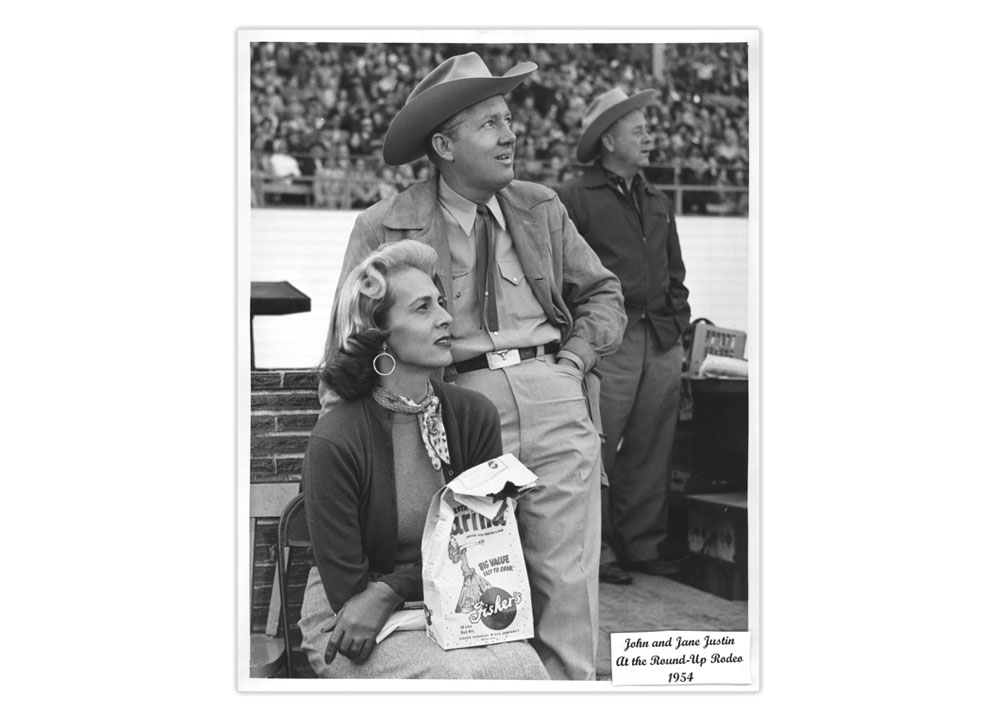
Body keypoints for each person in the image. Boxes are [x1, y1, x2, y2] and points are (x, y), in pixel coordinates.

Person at [322, 52, 626, 681]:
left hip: (554, 393)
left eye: (507, 118)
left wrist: (573, 361)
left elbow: (603, 293)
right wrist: (354, 433)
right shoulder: (384, 225)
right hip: (453, 414)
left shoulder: (541, 205)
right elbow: (350, 337)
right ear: (444, 144)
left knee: (567, 582)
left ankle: (566, 695)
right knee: (473, 574)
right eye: (489, 123)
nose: (511, 134)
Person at [299, 240, 547, 680]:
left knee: (525, 668)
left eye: (441, 302)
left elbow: (485, 548)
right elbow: (350, 595)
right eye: (422, 308)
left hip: (451, 602)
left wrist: (392, 588)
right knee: (463, 680)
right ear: (379, 334)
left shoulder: (473, 416)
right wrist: (384, 595)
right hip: (351, 622)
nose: (446, 317)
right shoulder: (336, 439)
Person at [557, 88, 692, 587]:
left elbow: (675, 270)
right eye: (639, 130)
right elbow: (564, 273)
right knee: (598, 446)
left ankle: (642, 546)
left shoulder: (657, 199)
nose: (649, 137)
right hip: (608, 341)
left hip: (659, 337)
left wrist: (676, 321)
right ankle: (601, 548)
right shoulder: (574, 198)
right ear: (609, 139)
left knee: (652, 446)